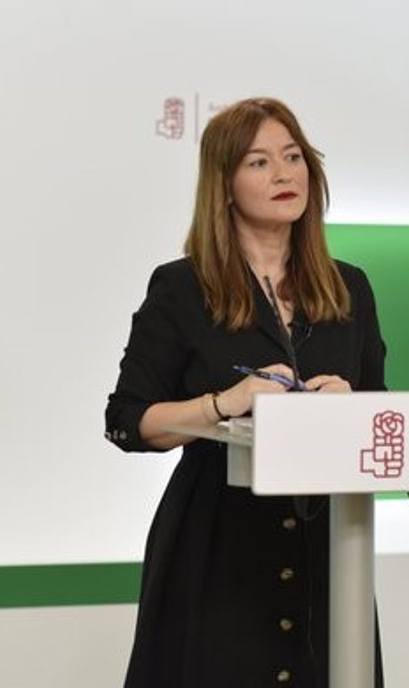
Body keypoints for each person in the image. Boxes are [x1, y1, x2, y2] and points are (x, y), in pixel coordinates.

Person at [105, 97, 388, 688]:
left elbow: (382, 417)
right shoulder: (182, 288)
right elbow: (127, 420)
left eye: (293, 157)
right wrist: (223, 405)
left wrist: (352, 406)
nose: (285, 173)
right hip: (217, 549)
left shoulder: (350, 288)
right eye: (259, 162)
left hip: (328, 549)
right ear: (225, 186)